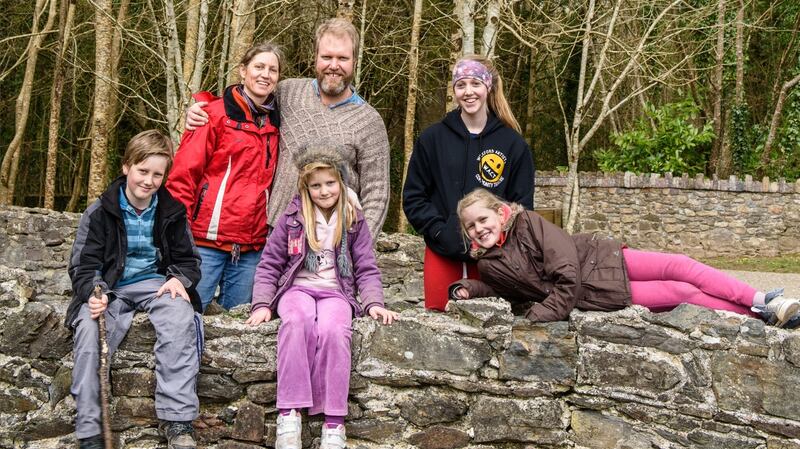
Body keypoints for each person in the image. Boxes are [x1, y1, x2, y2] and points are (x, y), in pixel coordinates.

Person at [449, 188, 800, 328]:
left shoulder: (528, 223)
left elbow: (566, 266)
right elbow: (506, 293)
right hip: (597, 294)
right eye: (472, 226)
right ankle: (761, 319)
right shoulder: (488, 265)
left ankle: (763, 299)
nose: (480, 228)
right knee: (681, 294)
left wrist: (540, 315)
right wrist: (469, 288)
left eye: (484, 219)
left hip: (600, 260)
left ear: (501, 213)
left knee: (680, 265)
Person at [246, 144, 398, 449]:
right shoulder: (293, 217)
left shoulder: (354, 219)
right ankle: (289, 413)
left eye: (330, 183)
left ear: (341, 183)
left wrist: (374, 304)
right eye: (316, 185)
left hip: (335, 293)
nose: (324, 191)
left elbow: (367, 267)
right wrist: (262, 304)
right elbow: (270, 263)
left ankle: (333, 421)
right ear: (306, 187)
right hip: (297, 289)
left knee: (334, 330)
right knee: (297, 321)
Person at [185, 18, 390, 238]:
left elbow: (377, 193)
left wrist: (360, 249)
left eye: (342, 58)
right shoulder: (287, 92)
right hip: (272, 234)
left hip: (331, 242)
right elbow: (244, 100)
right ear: (315, 58)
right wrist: (201, 108)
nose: (334, 65)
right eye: (326, 57)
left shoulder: (369, 121)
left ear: (354, 61)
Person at [67, 130, 203, 449]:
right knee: (89, 330)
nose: (149, 181)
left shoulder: (172, 210)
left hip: (154, 283)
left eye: (158, 174)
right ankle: (90, 429)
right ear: (126, 167)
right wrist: (94, 290)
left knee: (181, 318)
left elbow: (189, 260)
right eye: (143, 171)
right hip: (110, 287)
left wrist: (178, 278)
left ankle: (178, 420)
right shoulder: (100, 211)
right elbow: (83, 264)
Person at [402, 55, 535, 312]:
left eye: (475, 83)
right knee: (437, 328)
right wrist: (440, 231)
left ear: (488, 87)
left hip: (494, 258)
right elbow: (414, 196)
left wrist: (496, 237)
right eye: (461, 85)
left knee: (492, 331)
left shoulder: (513, 144)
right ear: (454, 90)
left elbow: (522, 207)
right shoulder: (432, 139)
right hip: (442, 253)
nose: (468, 91)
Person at [167, 42, 282, 311]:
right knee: (186, 314)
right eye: (259, 67)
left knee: (237, 327)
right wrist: (176, 234)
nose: (265, 74)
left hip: (252, 247)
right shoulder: (212, 115)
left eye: (273, 70)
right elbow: (183, 176)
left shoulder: (278, 121)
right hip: (204, 242)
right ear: (243, 71)